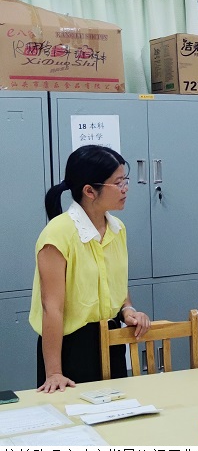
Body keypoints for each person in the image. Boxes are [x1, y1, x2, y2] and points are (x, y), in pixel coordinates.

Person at [29, 144, 151, 393]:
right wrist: (54, 373)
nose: (125, 188)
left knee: (119, 411)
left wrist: (128, 310)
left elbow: (115, 282)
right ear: (89, 191)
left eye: (125, 180)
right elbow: (52, 308)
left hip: (111, 339)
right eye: (118, 183)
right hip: (71, 348)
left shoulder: (117, 228)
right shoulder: (57, 234)